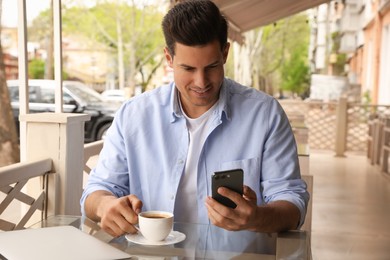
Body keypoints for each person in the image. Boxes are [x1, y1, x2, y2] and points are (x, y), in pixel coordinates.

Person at [81, 0, 309, 238]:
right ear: (168, 59)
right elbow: (97, 191)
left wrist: (257, 217)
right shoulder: (133, 115)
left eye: (211, 66)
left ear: (225, 53)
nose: (201, 82)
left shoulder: (265, 115)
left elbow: (292, 202)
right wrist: (105, 206)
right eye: (188, 69)